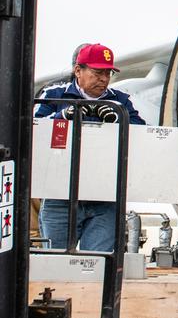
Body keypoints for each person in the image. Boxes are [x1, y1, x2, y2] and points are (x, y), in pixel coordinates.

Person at [35, 42, 145, 252]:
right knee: (56, 263)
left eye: (108, 73)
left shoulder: (120, 101)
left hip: (104, 198)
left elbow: (142, 133)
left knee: (96, 265)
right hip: (60, 196)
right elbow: (32, 129)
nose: (104, 79)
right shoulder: (54, 95)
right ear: (78, 70)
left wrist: (119, 120)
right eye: (97, 72)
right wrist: (62, 117)